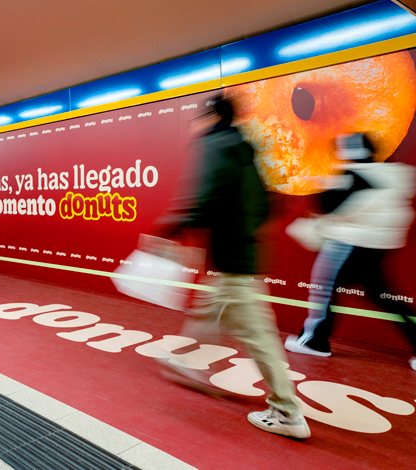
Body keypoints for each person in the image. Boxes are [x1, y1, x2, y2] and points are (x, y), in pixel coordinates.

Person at [155, 95, 310, 439]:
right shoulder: (246, 149)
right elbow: (270, 203)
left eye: (199, 118)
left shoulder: (216, 146)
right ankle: (184, 362)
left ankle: (287, 411)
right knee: (209, 309)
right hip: (243, 253)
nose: (196, 125)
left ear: (211, 117)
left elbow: (205, 196)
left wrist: (169, 229)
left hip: (235, 258)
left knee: (258, 336)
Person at [285, 133, 416, 370]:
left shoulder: (353, 175)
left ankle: (314, 341)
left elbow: (326, 206)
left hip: (347, 243)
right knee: (385, 298)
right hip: (379, 246)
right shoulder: (391, 175)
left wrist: (322, 184)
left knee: (324, 291)